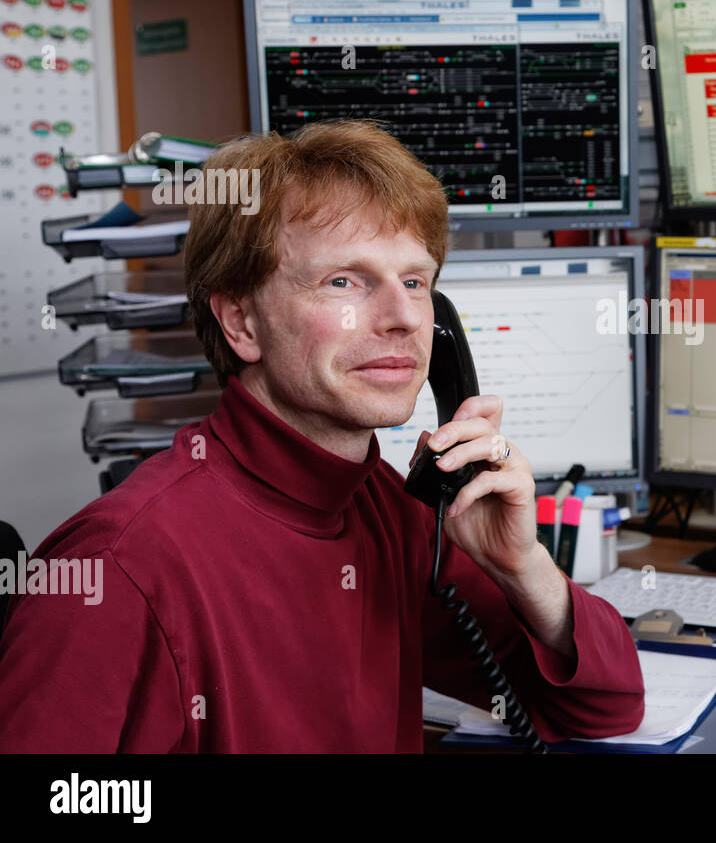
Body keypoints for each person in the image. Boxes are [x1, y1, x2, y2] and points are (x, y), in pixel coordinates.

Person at [0, 120, 645, 752]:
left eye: (416, 283)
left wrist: (521, 565)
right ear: (241, 322)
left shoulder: (391, 513)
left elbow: (604, 704)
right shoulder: (118, 572)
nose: (401, 319)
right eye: (344, 281)